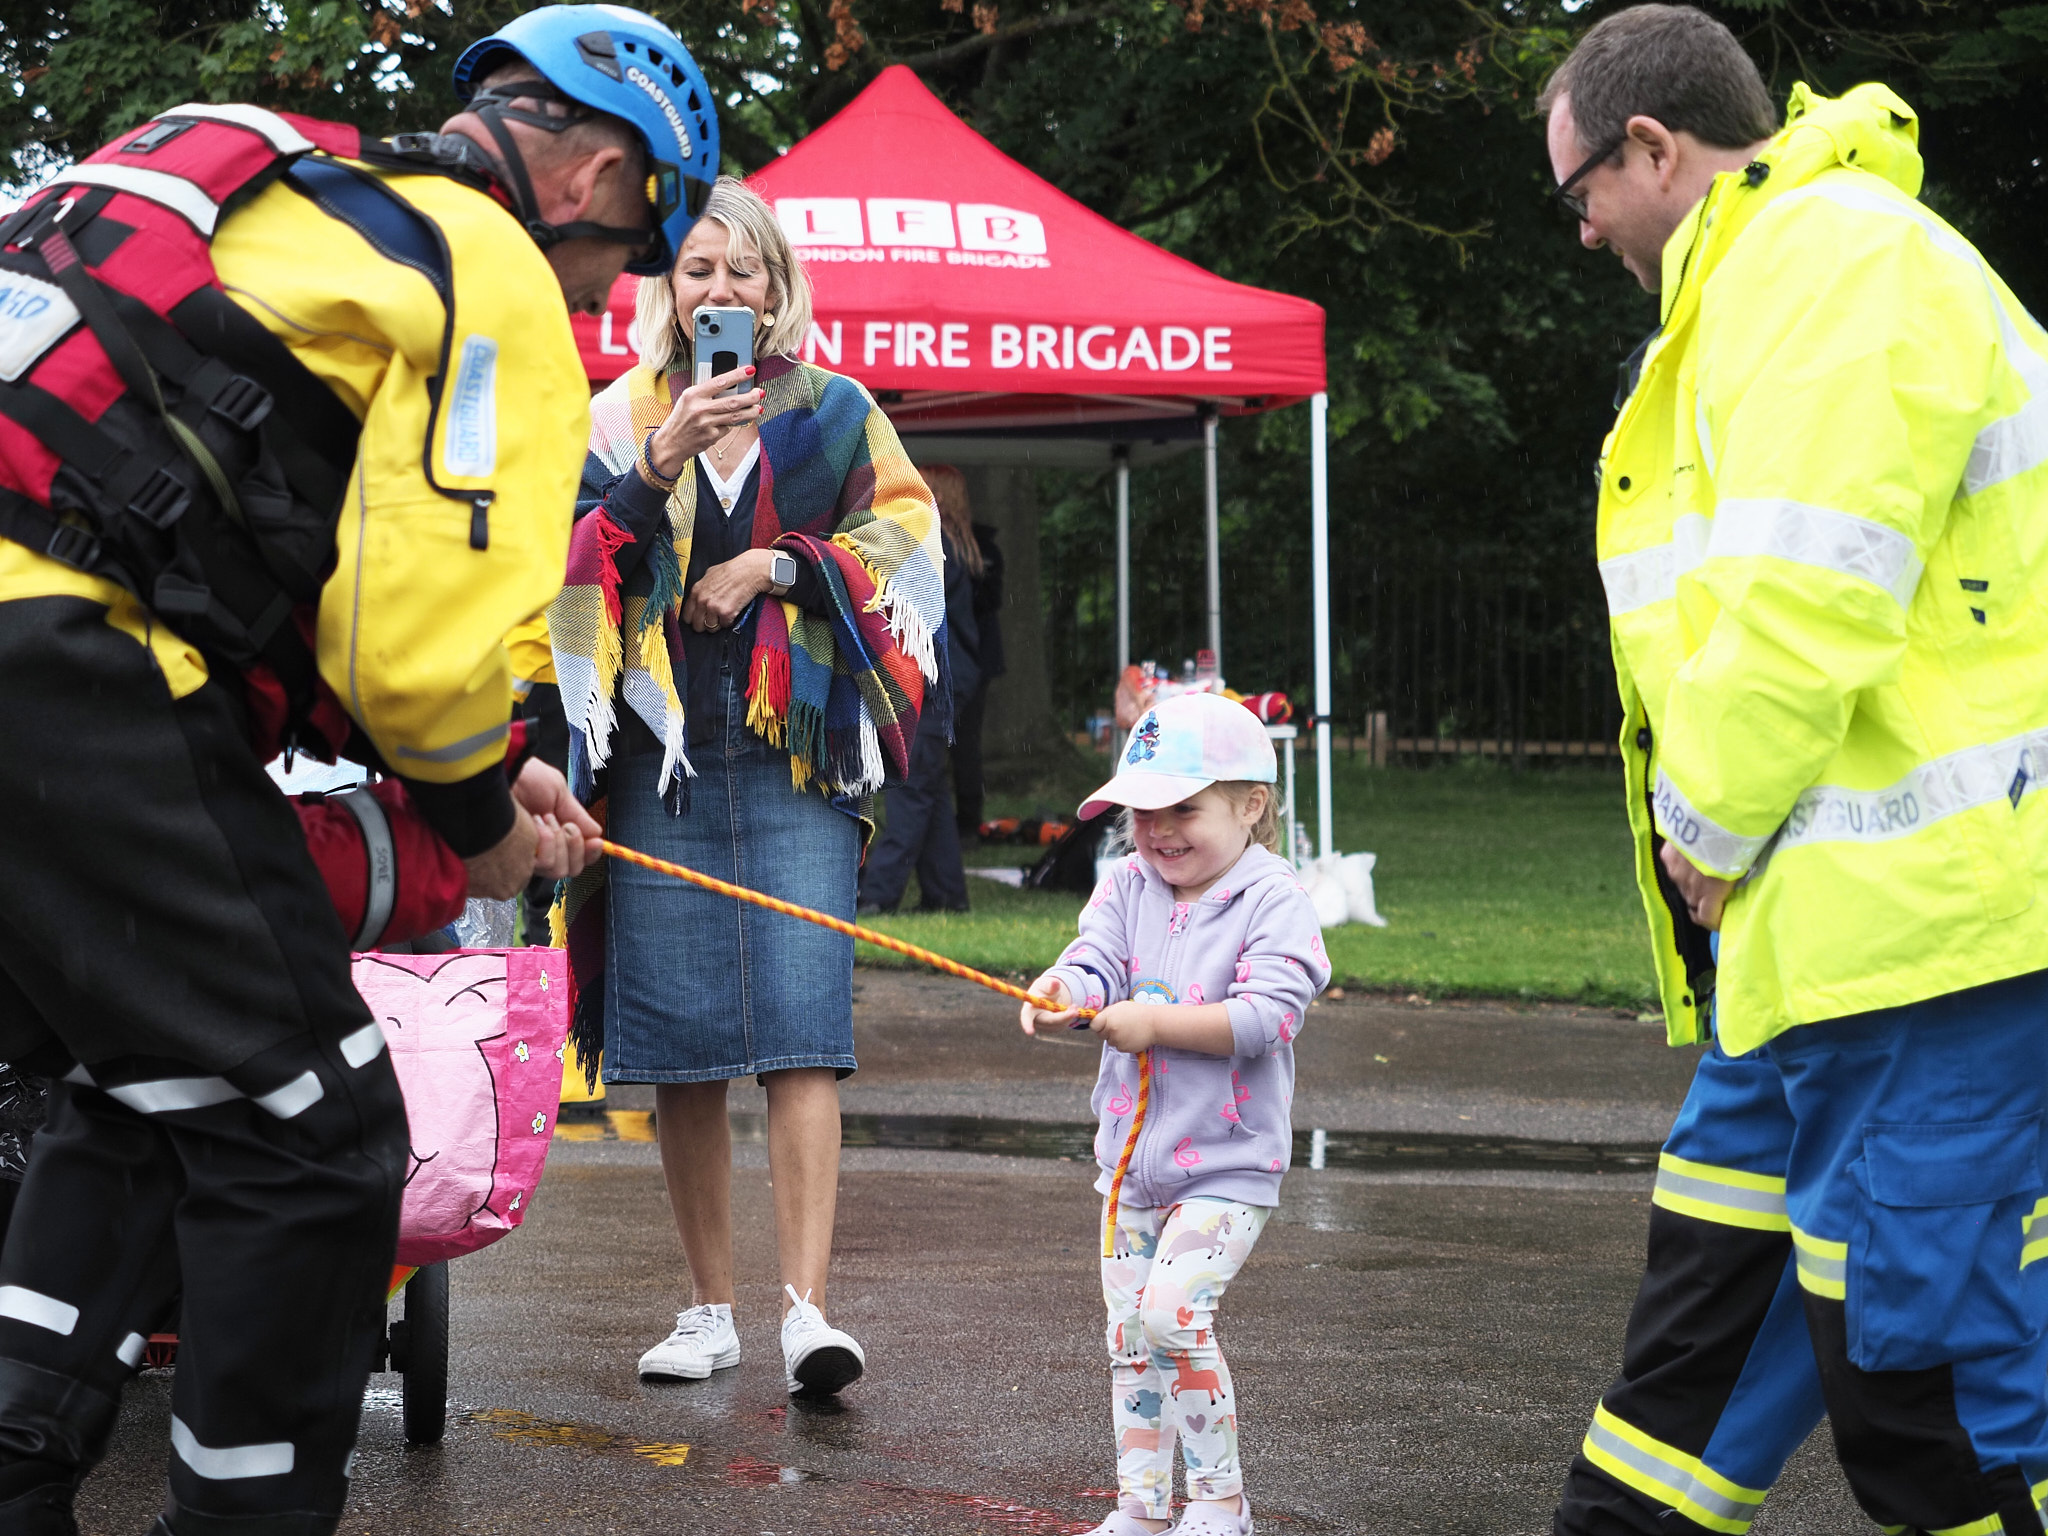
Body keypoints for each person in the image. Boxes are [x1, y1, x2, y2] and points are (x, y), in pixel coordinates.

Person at [0, 7, 715, 1531]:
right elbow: (417, 646)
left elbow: (240, 512)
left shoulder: (269, 194)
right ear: (594, 179)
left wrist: (487, 767)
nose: (610, 295)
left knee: (155, 1085)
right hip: (72, 663)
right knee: (320, 1133)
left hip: (45, 628)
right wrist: (474, 818)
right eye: (632, 256)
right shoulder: (491, 268)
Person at [1542, 8, 2048, 1534]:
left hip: (1922, 952)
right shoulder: (1772, 285)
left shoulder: (1829, 267)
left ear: (1652, 147)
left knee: (1936, 1411)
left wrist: (1701, 824)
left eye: (1576, 194)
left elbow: (1803, 596)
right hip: (1820, 967)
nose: (1579, 234)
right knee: (1683, 1389)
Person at [548, 175, 949, 1397]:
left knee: (799, 1035)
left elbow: (910, 543)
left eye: (741, 270)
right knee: (676, 1046)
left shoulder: (831, 413)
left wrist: (781, 562)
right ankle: (708, 1307)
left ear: (776, 285)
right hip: (654, 756)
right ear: (668, 289)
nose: (719, 290)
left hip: (793, 751)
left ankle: (805, 1314)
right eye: (697, 271)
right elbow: (565, 579)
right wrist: (658, 463)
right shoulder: (621, 417)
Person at [1019, 692, 1329, 1536]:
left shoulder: (1275, 900)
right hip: (1129, 1170)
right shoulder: (1126, 884)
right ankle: (1140, 1512)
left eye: (1182, 808)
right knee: (1130, 1338)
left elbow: (1270, 1017)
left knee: (1173, 1317)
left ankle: (1221, 1506)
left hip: (1227, 1169)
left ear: (1250, 805)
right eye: (1142, 810)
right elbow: (1093, 960)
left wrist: (1154, 1024)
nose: (1158, 831)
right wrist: (1062, 993)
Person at [857, 463, 984, 913]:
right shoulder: (956, 546)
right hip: (951, 681)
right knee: (927, 791)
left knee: (910, 792)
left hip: (934, 685)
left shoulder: (936, 549)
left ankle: (877, 895)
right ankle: (947, 896)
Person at [945, 473, 1006, 840]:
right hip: (957, 656)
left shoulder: (978, 548)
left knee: (965, 743)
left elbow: (990, 603)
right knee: (945, 749)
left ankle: (969, 820)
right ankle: (957, 824)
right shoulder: (949, 545)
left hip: (971, 659)